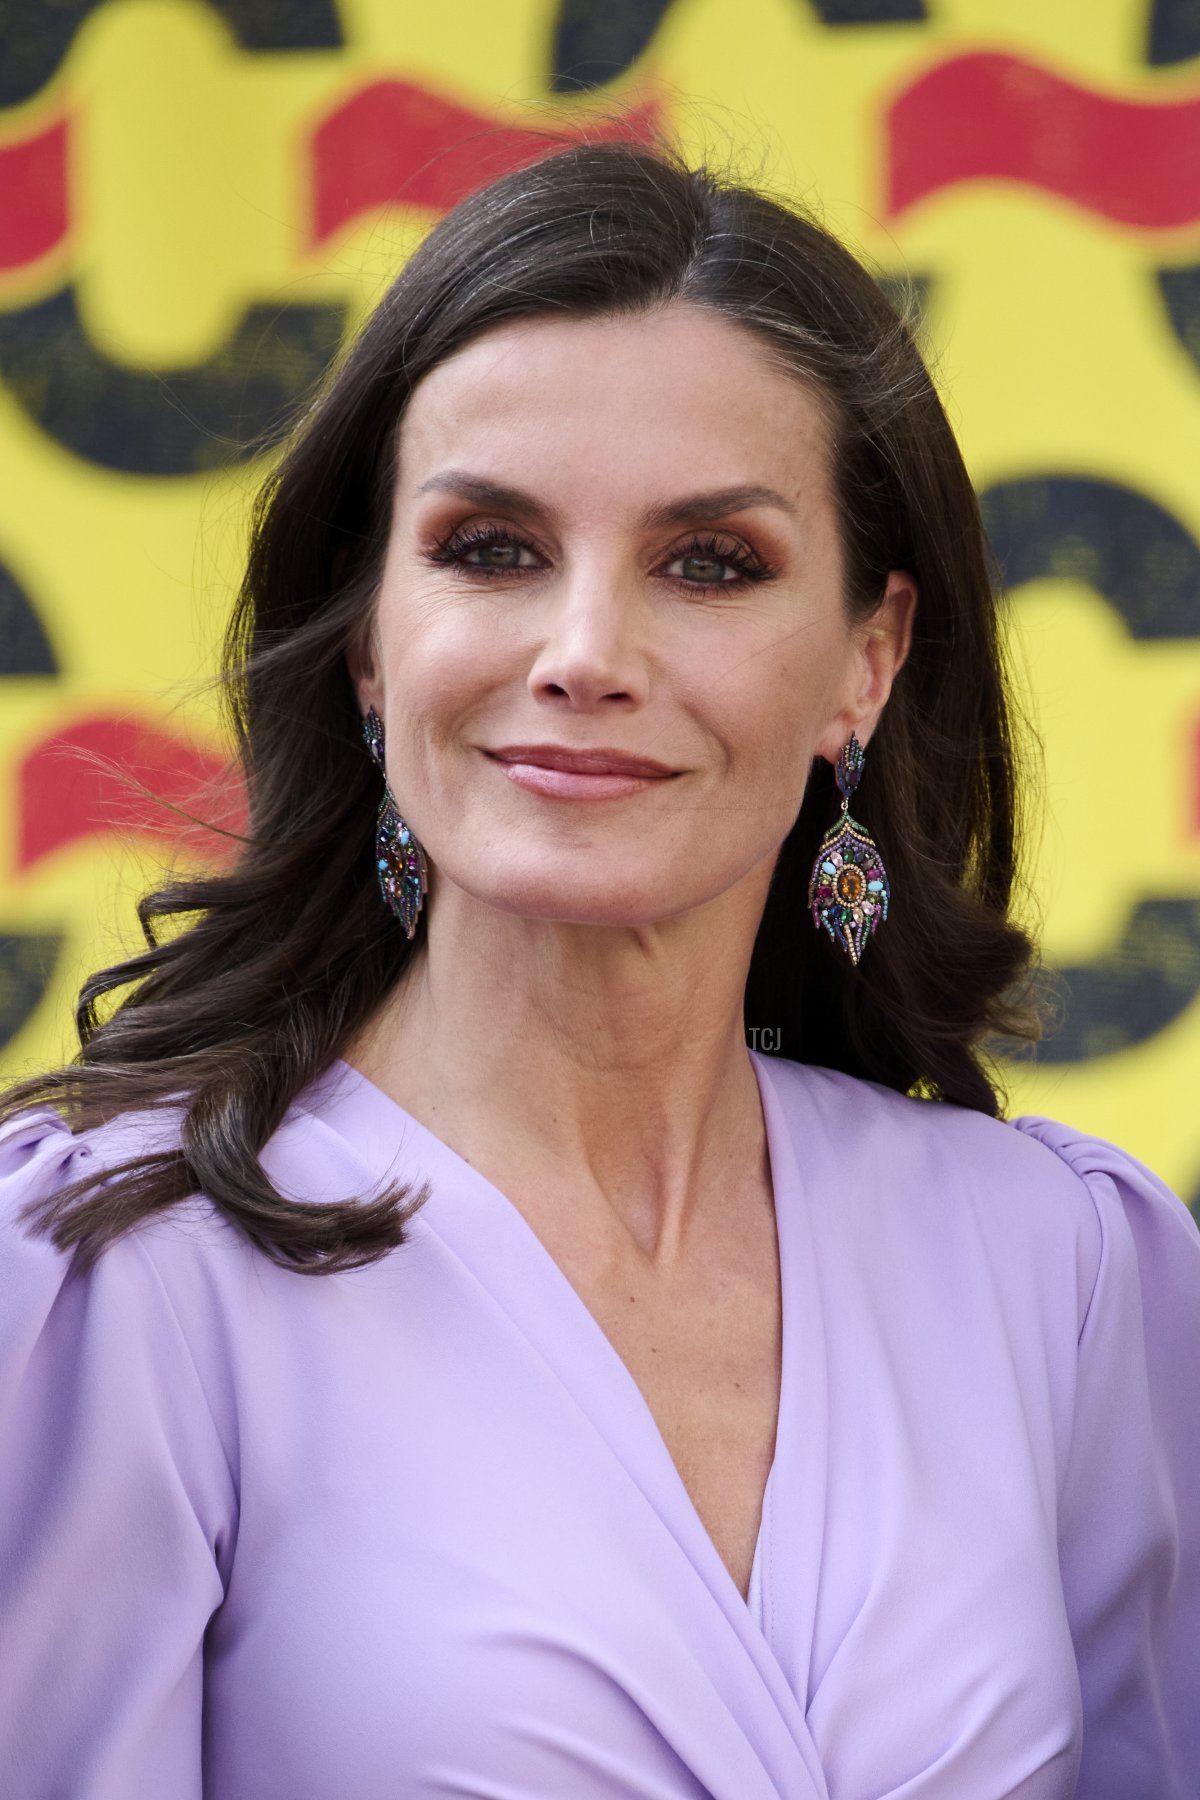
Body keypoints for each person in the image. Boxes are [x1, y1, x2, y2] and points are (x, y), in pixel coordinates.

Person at [0, 141, 1196, 1800]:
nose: (582, 656)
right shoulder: (124, 1283)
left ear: (871, 657)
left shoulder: (1059, 1270)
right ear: (368, 636)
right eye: (490, 547)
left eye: (709, 563)